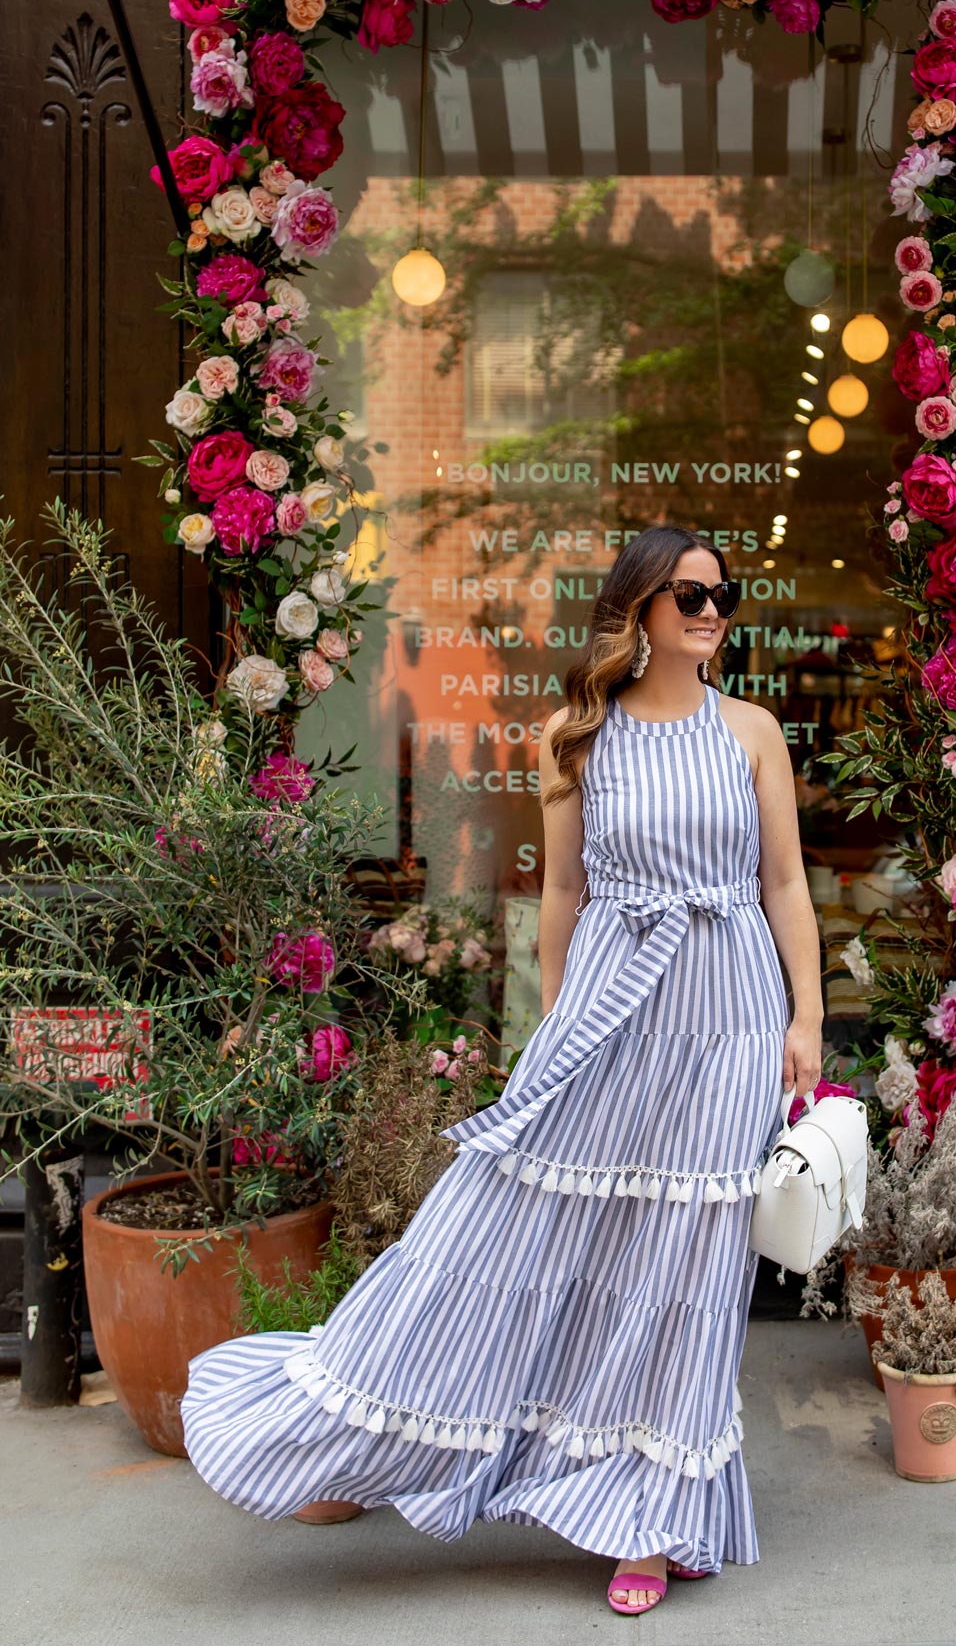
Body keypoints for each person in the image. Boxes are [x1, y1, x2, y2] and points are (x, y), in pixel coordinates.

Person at [181, 524, 824, 1614]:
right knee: (499, 1219)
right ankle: (358, 1420)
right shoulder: (575, 733)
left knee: (690, 1263)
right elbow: (562, 896)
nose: (712, 612)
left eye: (724, 594)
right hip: (612, 1014)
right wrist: (557, 1027)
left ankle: (651, 1512)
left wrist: (804, 1017)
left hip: (727, 1018)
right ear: (638, 610)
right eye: (690, 595)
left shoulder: (752, 731)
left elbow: (784, 883)